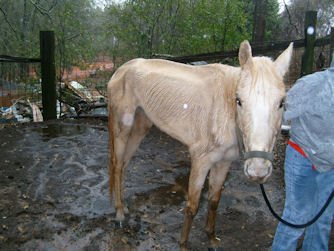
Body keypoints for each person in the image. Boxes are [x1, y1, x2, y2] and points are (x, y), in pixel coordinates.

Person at [272, 55, 334, 251]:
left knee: (322, 221)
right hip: (303, 158)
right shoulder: (312, 84)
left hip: (331, 168)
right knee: (295, 218)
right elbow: (280, 111)